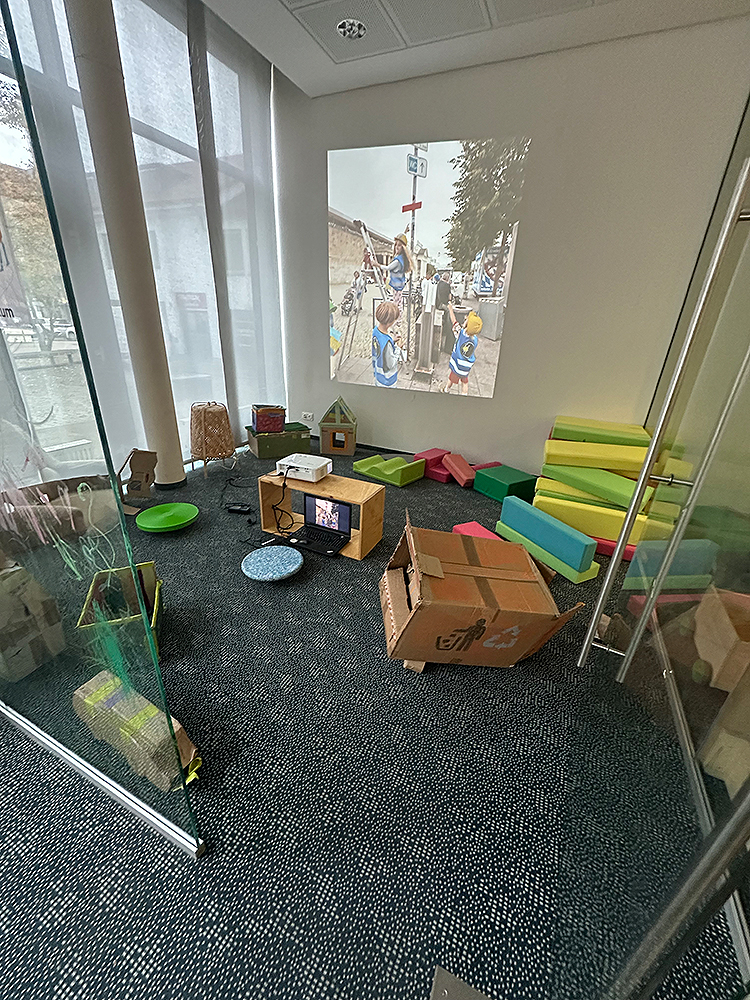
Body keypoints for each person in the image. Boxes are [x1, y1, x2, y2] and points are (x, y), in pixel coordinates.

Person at [442, 307, 482, 396]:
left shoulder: (460, 333)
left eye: (466, 319)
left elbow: (453, 321)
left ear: (467, 325)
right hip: (466, 366)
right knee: (465, 382)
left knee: (451, 378)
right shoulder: (475, 339)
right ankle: (464, 394)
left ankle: (446, 389)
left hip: (458, 364)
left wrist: (450, 309)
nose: (465, 318)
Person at [384, 234, 414, 319]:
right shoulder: (401, 258)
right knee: (398, 302)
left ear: (403, 248)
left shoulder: (398, 261)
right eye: (396, 245)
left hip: (397, 285)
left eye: (399, 245)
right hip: (398, 284)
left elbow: (388, 268)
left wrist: (377, 264)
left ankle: (397, 320)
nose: (396, 247)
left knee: (396, 304)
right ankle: (398, 319)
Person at [371, 301, 401, 388]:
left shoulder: (375, 331)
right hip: (387, 380)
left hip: (378, 375)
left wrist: (392, 341)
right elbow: (391, 363)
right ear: (390, 322)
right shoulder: (387, 343)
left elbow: (381, 347)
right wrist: (398, 348)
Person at [435, 270, 453, 353]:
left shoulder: (438, 284)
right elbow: (449, 297)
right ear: (448, 278)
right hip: (443, 305)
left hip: (437, 305)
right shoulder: (447, 285)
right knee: (450, 318)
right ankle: (447, 346)